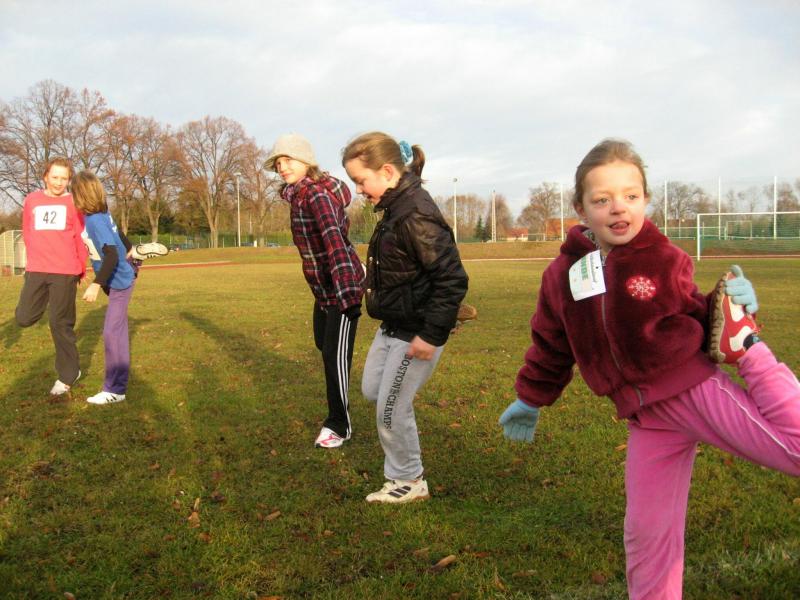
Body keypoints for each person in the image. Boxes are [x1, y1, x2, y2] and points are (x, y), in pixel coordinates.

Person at [498, 138, 800, 599]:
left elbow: (695, 311)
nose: (618, 207)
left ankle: (750, 347)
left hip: (692, 392)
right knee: (647, 533)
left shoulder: (663, 258)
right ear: (581, 208)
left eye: (631, 195)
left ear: (645, 200)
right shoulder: (562, 276)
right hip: (647, 419)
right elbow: (551, 343)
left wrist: (731, 310)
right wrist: (530, 397)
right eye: (602, 199)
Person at [342, 132, 469, 504]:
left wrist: (431, 334)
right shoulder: (395, 208)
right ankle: (405, 467)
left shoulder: (415, 213)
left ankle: (408, 479)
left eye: (360, 180)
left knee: (391, 408)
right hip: (393, 326)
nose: (358, 190)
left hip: (416, 332)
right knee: (373, 391)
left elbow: (452, 278)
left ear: (386, 171)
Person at [266, 133, 365, 449]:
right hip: (323, 289)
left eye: (288, 160)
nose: (282, 167)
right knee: (324, 344)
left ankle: (339, 425)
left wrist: (347, 295)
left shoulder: (315, 196)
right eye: (278, 163)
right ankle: (339, 407)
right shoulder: (299, 195)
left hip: (341, 287)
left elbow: (335, 242)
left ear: (306, 161)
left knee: (334, 356)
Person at [15, 157, 88, 395]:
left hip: (65, 271)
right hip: (37, 269)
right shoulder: (32, 200)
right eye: (55, 177)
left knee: (60, 323)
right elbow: (28, 231)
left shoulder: (74, 202)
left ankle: (68, 374)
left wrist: (81, 267)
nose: (58, 182)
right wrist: (32, 261)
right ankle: (49, 302)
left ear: (69, 180)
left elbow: (79, 237)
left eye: (64, 178)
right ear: (45, 176)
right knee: (24, 317)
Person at [70, 171, 138, 405]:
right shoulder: (101, 213)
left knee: (112, 333)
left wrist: (95, 285)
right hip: (117, 279)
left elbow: (110, 255)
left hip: (120, 281)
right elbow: (118, 231)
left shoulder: (95, 220)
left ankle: (115, 390)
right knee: (116, 331)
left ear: (80, 194)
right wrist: (131, 248)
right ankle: (117, 388)